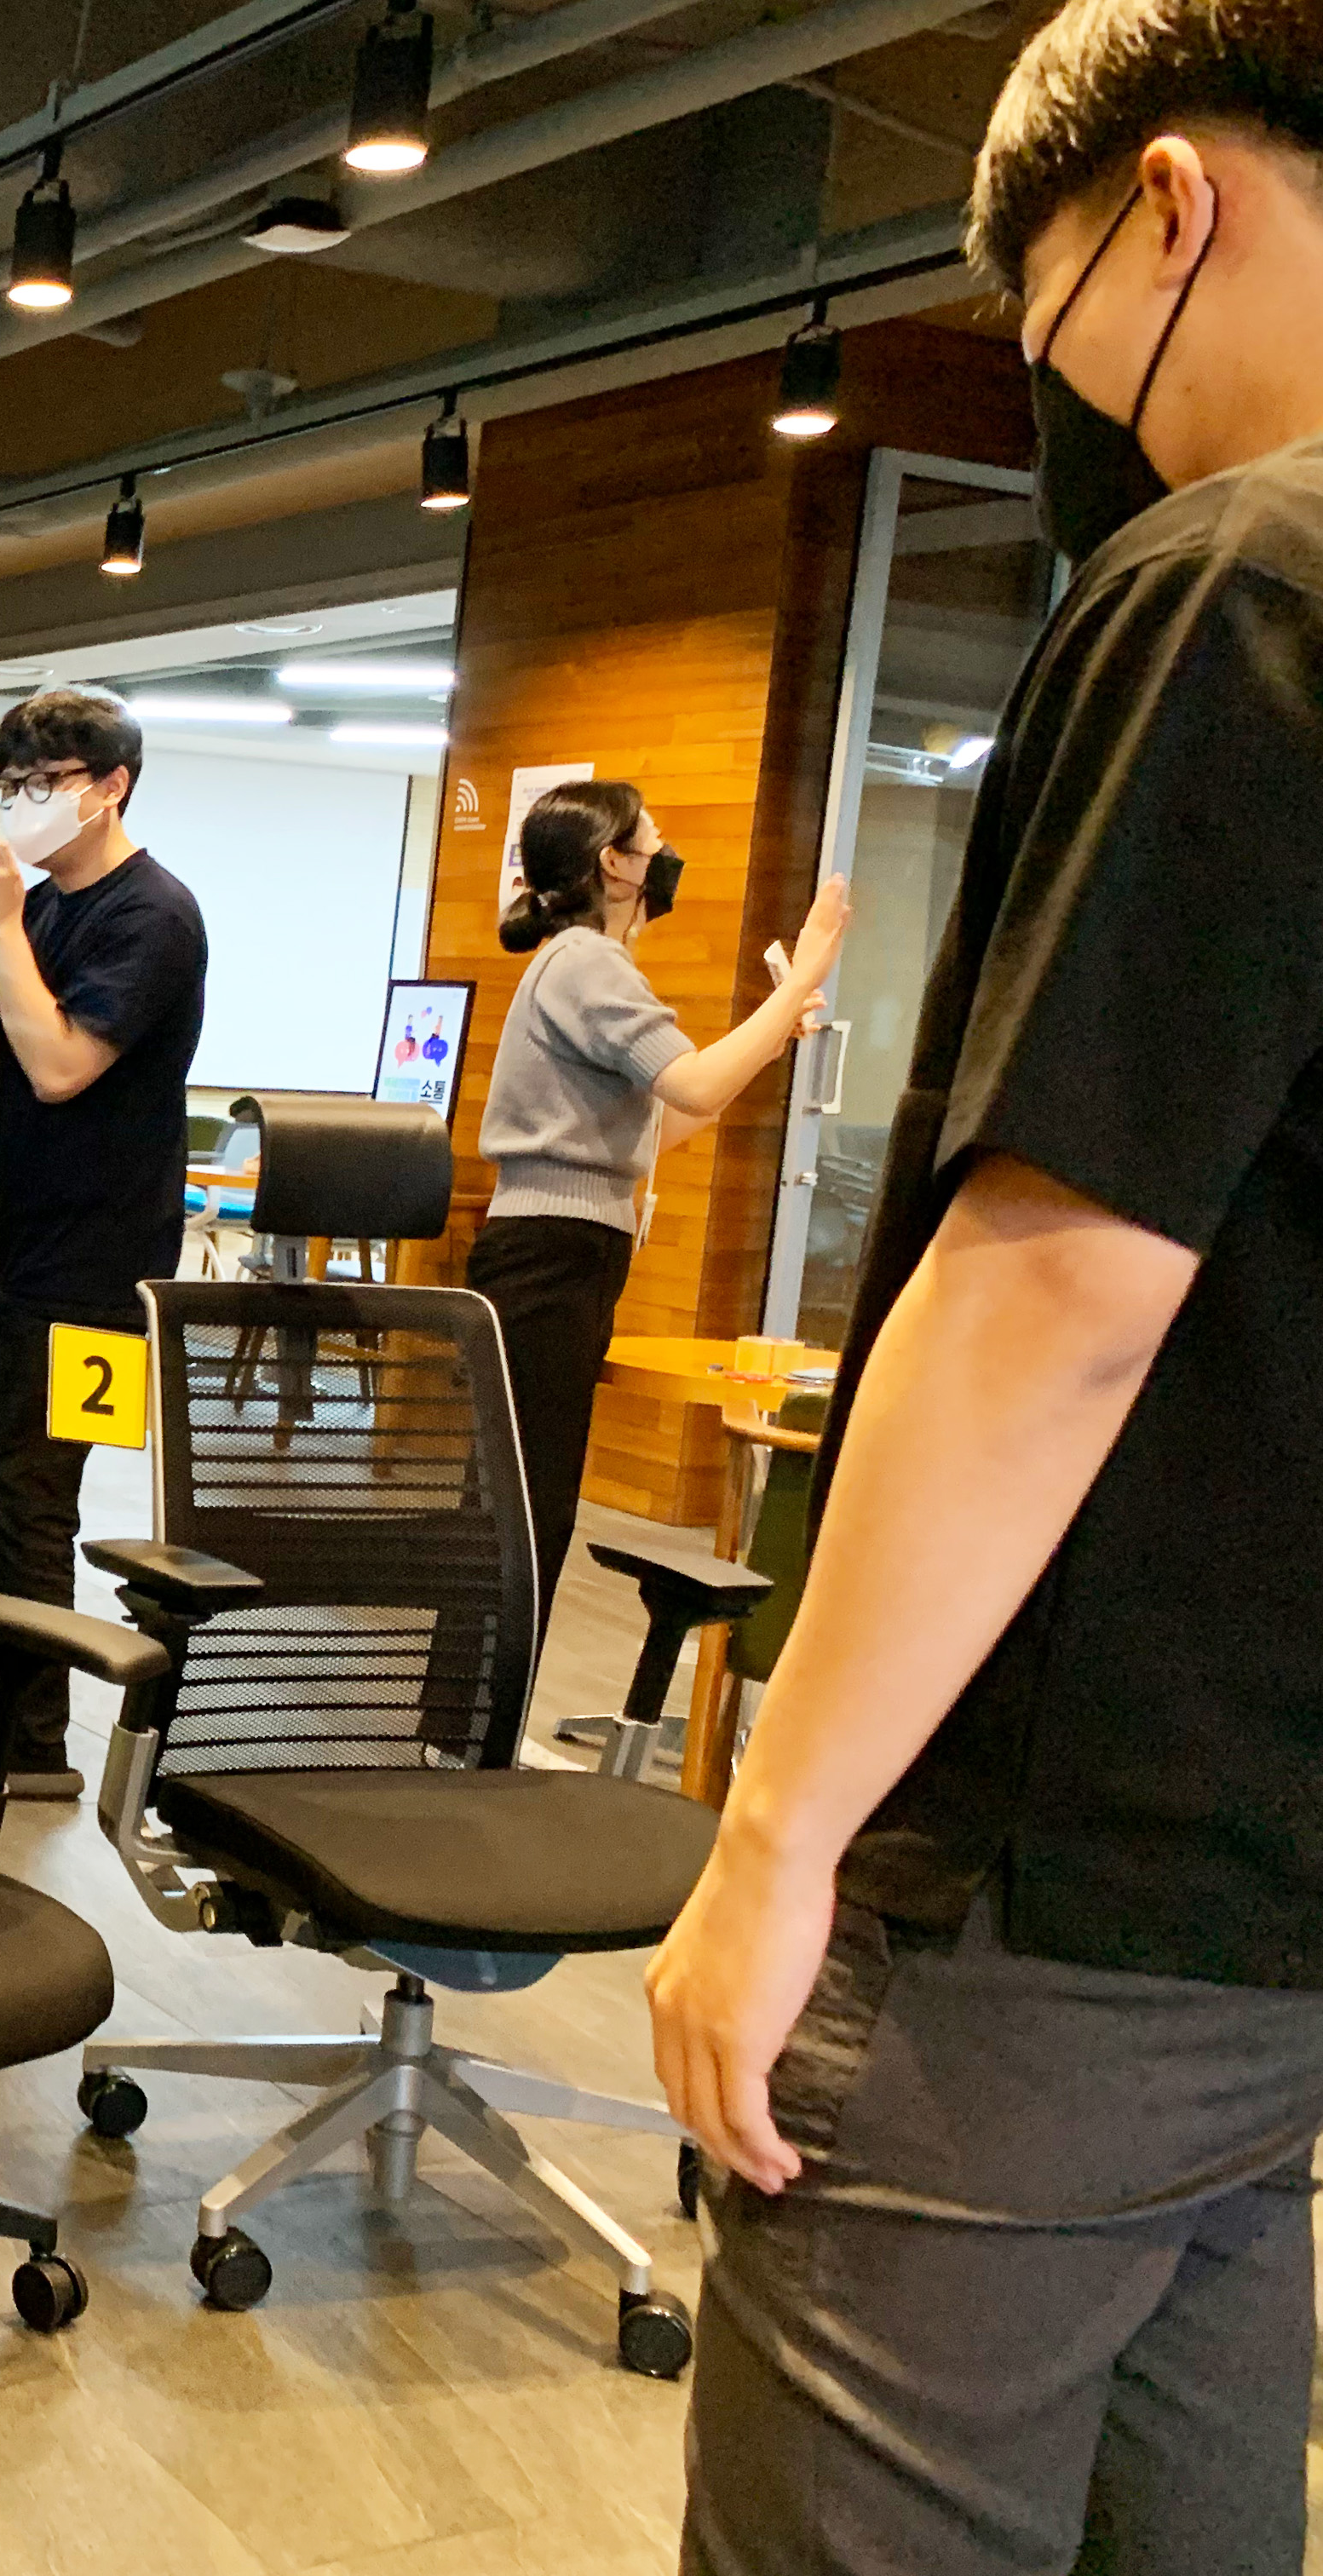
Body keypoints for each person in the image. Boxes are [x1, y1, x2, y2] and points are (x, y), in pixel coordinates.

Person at [645, 7, 1323, 2565]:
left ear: (1175, 207)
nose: (1066, 417)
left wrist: (778, 1832)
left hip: (1045, 1891)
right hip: (1269, 1915)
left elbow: (1059, 1285)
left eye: (1048, 333)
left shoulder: (1246, 580)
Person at [0, 687, 208, 1798]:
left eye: (44, 782)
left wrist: (4, 930)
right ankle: (13, 1643)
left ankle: (34, 1740)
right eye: (11, 785)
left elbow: (65, 1065)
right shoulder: (48, 911)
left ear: (111, 785)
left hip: (103, 1269)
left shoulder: (151, 915)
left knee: (33, 1488)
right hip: (30, 1252)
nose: (23, 803)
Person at [466, 779, 848, 1639]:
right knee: (523, 1516)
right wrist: (801, 981)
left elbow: (664, 1125)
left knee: (519, 1508)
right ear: (616, 863)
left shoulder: (575, 963)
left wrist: (773, 1034)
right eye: (653, 840)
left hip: (559, 1249)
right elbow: (697, 1084)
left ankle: (471, 1708)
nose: (667, 854)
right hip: (551, 1253)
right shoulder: (588, 961)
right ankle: (473, 1711)